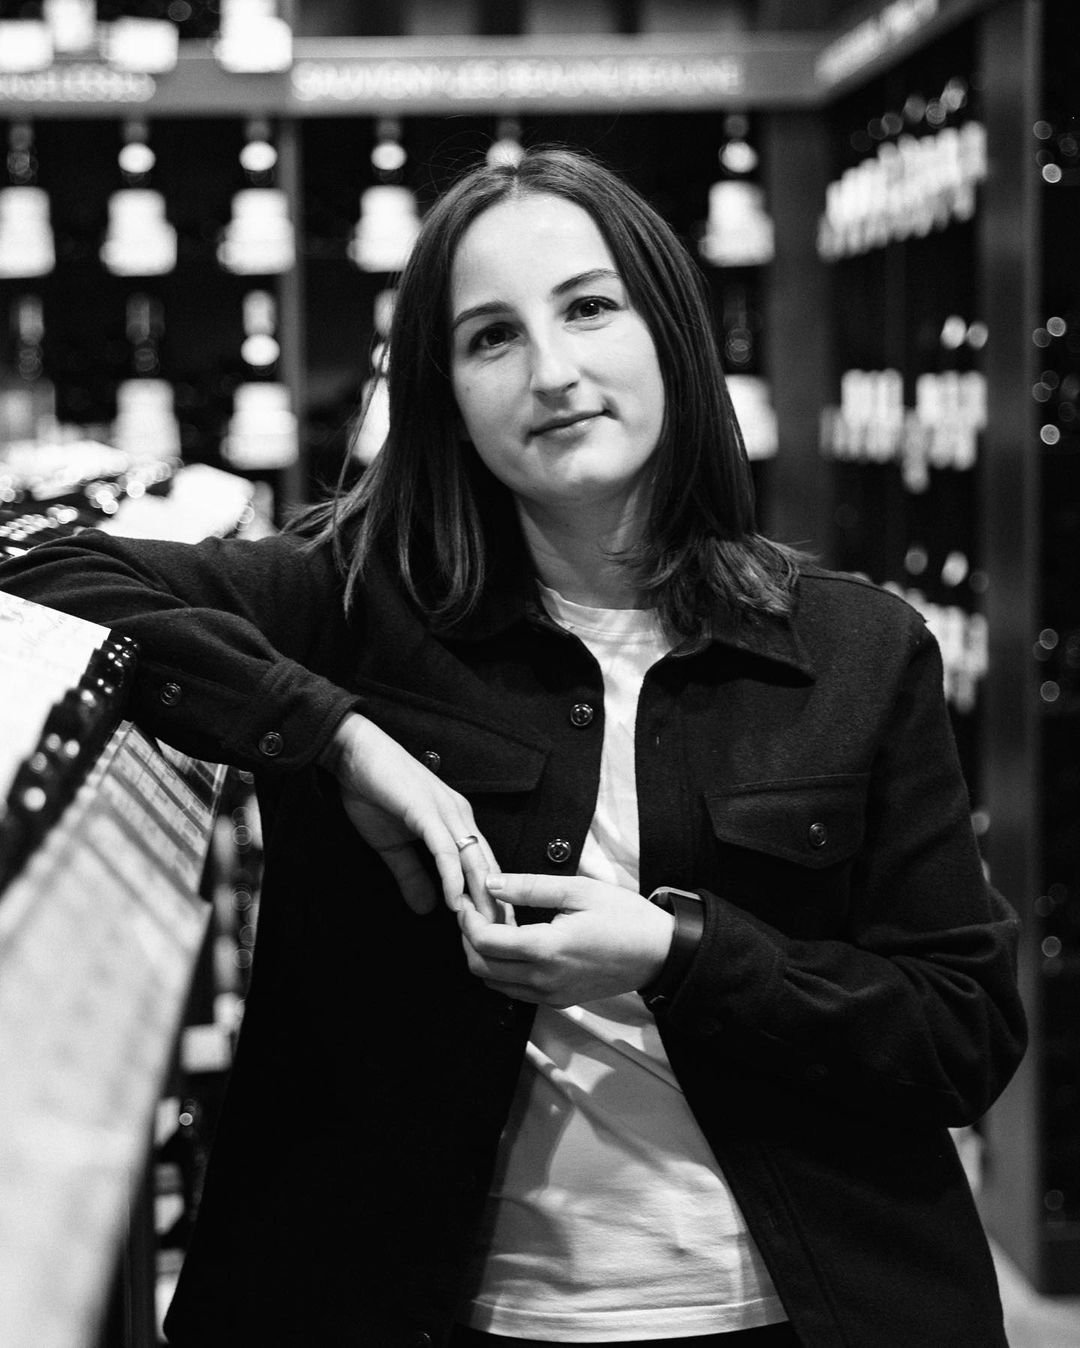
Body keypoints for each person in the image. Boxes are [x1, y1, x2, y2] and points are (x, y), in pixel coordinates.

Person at [0, 147, 1025, 1348]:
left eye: (589, 308)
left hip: (795, 1317)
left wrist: (679, 954)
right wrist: (336, 733)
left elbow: (961, 1030)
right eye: (491, 337)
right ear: (442, 390)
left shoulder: (859, 648)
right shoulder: (349, 607)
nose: (552, 371)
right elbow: (31, 566)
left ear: (669, 330)